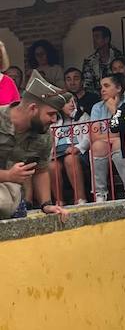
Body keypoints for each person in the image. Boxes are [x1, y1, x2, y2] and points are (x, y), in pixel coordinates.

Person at [0, 73, 70, 220]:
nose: (54, 120)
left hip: (10, 198)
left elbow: (41, 170)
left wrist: (46, 205)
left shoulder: (43, 135)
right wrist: (8, 175)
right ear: (33, 108)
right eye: (50, 114)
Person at [89, 72, 125, 202]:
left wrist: (114, 110)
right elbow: (94, 136)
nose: (102, 90)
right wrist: (114, 136)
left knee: (118, 144)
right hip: (105, 144)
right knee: (97, 146)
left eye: (106, 86)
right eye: (101, 87)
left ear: (119, 88)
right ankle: (100, 193)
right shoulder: (97, 107)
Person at [50, 91, 91, 205]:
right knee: (52, 166)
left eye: (74, 101)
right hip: (58, 154)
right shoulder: (54, 121)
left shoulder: (83, 117)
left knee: (70, 159)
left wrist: (78, 147)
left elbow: (88, 138)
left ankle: (80, 198)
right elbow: (50, 142)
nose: (72, 104)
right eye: (68, 102)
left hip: (78, 153)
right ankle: (59, 201)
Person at [82, 25, 120, 95]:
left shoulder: (119, 57)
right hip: (97, 99)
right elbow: (87, 85)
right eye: (93, 37)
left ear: (106, 39)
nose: (94, 40)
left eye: (97, 37)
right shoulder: (89, 61)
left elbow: (123, 79)